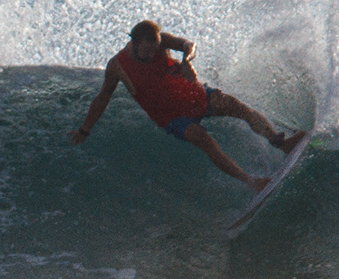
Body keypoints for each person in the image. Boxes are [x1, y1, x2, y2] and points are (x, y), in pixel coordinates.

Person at [70, 20, 301, 192]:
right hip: (172, 116)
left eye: (155, 48)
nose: (153, 54)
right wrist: (84, 130)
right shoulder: (117, 66)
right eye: (148, 50)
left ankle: (282, 143)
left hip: (194, 95)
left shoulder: (161, 42)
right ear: (134, 42)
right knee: (203, 138)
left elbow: (189, 45)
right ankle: (252, 182)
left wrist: (186, 61)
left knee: (238, 107)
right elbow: (103, 98)